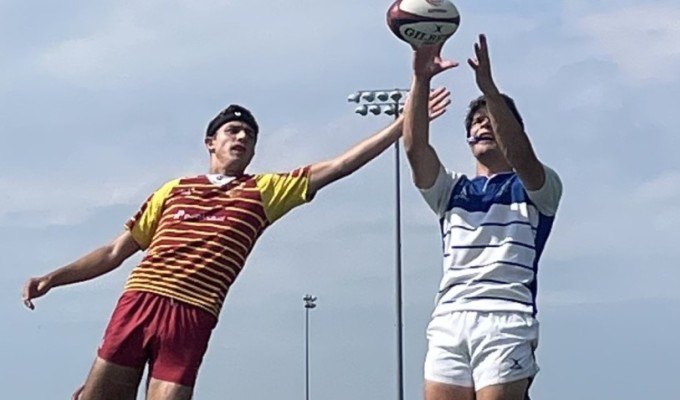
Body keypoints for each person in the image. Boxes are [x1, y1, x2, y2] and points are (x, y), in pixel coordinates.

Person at [23, 92, 451, 400]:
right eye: (232, 130)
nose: (241, 137)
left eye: (249, 133)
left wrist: (402, 122)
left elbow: (339, 165)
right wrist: (53, 278)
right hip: (140, 301)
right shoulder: (173, 190)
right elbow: (116, 251)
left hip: (193, 314)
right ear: (211, 142)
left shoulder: (264, 191)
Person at [402, 34, 563, 400]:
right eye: (476, 120)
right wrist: (421, 78)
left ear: (513, 132)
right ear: (468, 137)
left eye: (493, 119)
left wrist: (490, 91)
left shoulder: (540, 187)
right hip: (449, 318)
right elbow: (414, 149)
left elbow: (522, 159)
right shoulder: (451, 190)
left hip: (505, 316)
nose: (484, 124)